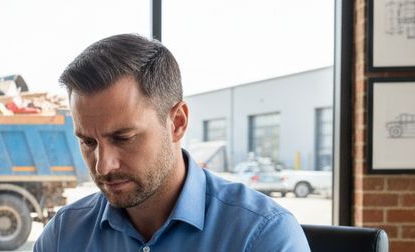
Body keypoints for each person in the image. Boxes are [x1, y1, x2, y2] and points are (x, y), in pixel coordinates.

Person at [34, 34, 310, 252]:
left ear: (177, 122)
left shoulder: (261, 235)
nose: (103, 165)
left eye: (123, 138)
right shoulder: (63, 235)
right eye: (88, 142)